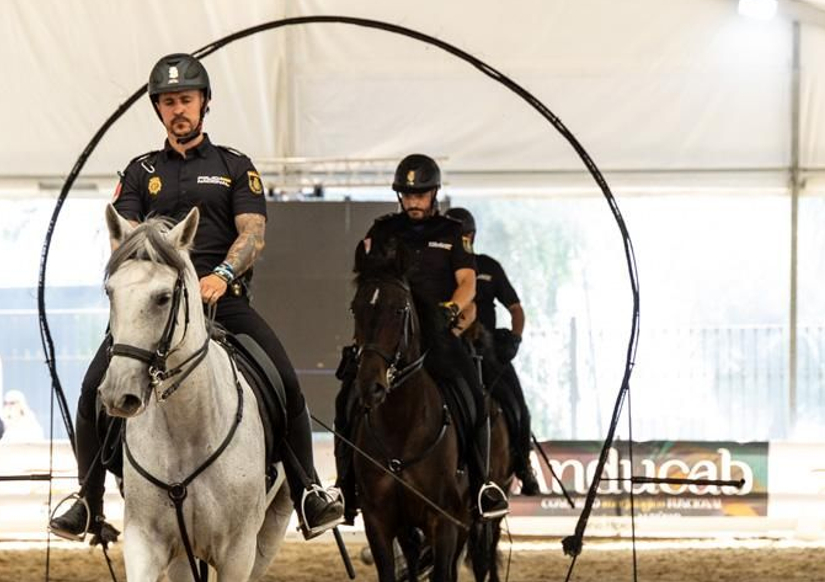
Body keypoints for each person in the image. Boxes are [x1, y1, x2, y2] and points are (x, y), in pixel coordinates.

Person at [49, 52, 343, 545]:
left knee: (284, 379)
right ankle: (87, 500)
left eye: (185, 99)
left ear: (204, 103)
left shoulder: (234, 166)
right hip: (155, 309)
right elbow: (124, 239)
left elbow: (253, 234)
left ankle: (308, 490)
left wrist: (222, 274)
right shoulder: (140, 172)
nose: (177, 110)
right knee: (93, 389)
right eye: (168, 102)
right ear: (158, 110)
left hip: (221, 300)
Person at [335, 156, 508, 524]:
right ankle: (346, 487)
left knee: (473, 396)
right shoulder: (382, 230)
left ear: (434, 194)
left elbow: (467, 283)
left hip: (437, 333)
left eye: (421, 194)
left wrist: (450, 310)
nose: (414, 201)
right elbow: (369, 278)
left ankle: (482, 485)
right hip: (388, 333)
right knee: (347, 398)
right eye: (408, 194)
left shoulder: (453, 231)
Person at [447, 206, 540, 495]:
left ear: (472, 236)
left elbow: (516, 309)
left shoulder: (489, 266)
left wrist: (514, 339)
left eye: (462, 235)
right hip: (449, 346)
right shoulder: (437, 269)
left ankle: (523, 465)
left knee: (516, 404)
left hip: (486, 348)